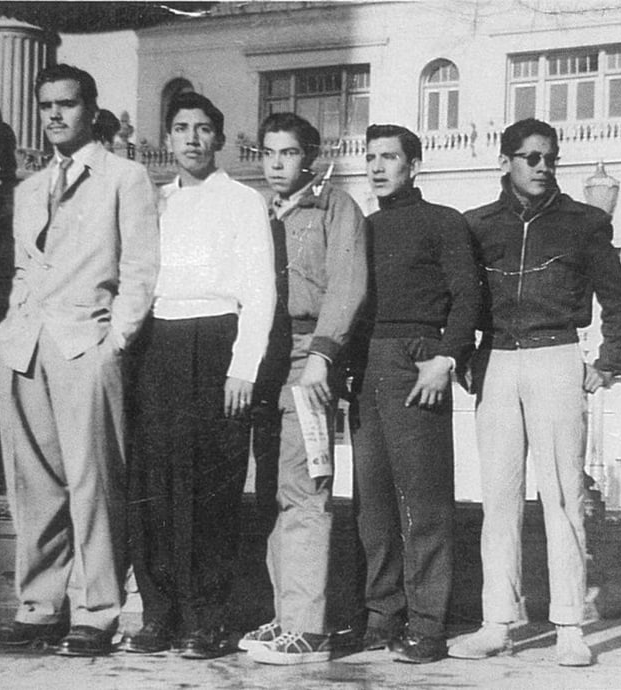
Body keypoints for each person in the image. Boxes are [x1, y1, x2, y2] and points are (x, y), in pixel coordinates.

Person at [448, 118, 621, 667]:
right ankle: (496, 623)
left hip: (557, 357)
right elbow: (460, 301)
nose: (542, 166)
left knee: (562, 497)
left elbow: (617, 301)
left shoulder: (584, 222)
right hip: (498, 361)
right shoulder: (476, 225)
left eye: (549, 157)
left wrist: (609, 361)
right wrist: (462, 356)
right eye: (529, 157)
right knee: (499, 499)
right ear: (505, 161)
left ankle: (570, 627)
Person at [0, 64, 159, 657]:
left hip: (87, 344)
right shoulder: (29, 189)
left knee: (95, 483)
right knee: (32, 486)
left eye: (66, 104)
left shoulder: (125, 177)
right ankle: (38, 606)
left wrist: (117, 342)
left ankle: (98, 609)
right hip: (24, 348)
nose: (55, 115)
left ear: (89, 108)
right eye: (46, 105)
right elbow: (22, 270)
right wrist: (9, 334)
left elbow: (139, 269)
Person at [125, 92, 275, 660]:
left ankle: (206, 619)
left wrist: (243, 366)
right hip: (157, 346)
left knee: (210, 490)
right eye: (181, 128)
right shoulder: (153, 202)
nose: (191, 138)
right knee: (153, 486)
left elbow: (260, 290)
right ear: (166, 138)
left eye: (203, 128)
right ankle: (159, 614)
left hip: (216, 343)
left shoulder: (242, 200)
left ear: (218, 138)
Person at [351, 124, 481, 664]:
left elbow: (468, 294)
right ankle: (382, 617)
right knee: (372, 504)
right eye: (371, 157)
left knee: (423, 501)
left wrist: (446, 358)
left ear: (414, 166)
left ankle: (428, 624)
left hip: (417, 360)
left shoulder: (443, 223)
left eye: (390, 158)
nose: (378, 167)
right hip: (368, 365)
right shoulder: (363, 227)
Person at [240, 113, 367, 665]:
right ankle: (283, 617)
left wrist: (322, 354)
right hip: (263, 357)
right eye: (267, 152)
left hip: (310, 356)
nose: (275, 164)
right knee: (271, 489)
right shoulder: (257, 210)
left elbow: (348, 283)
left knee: (307, 489)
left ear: (310, 156)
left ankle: (308, 628)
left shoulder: (336, 207)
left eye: (288, 153)